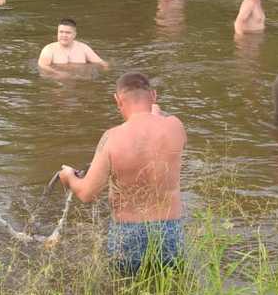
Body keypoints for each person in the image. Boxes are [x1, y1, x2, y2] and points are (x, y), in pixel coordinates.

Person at [58, 73, 186, 275]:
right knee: (173, 293)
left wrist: (68, 177)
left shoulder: (112, 137)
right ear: (154, 95)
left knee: (123, 294)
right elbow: (158, 118)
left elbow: (86, 193)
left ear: (117, 100)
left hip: (127, 232)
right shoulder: (175, 126)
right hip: (170, 230)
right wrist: (154, 110)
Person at [38, 18, 109, 69]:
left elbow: (102, 63)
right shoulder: (49, 49)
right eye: (61, 32)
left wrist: (105, 71)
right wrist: (58, 74)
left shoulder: (83, 48)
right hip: (57, 82)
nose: (64, 35)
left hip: (80, 81)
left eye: (68, 32)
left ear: (74, 34)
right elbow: (43, 67)